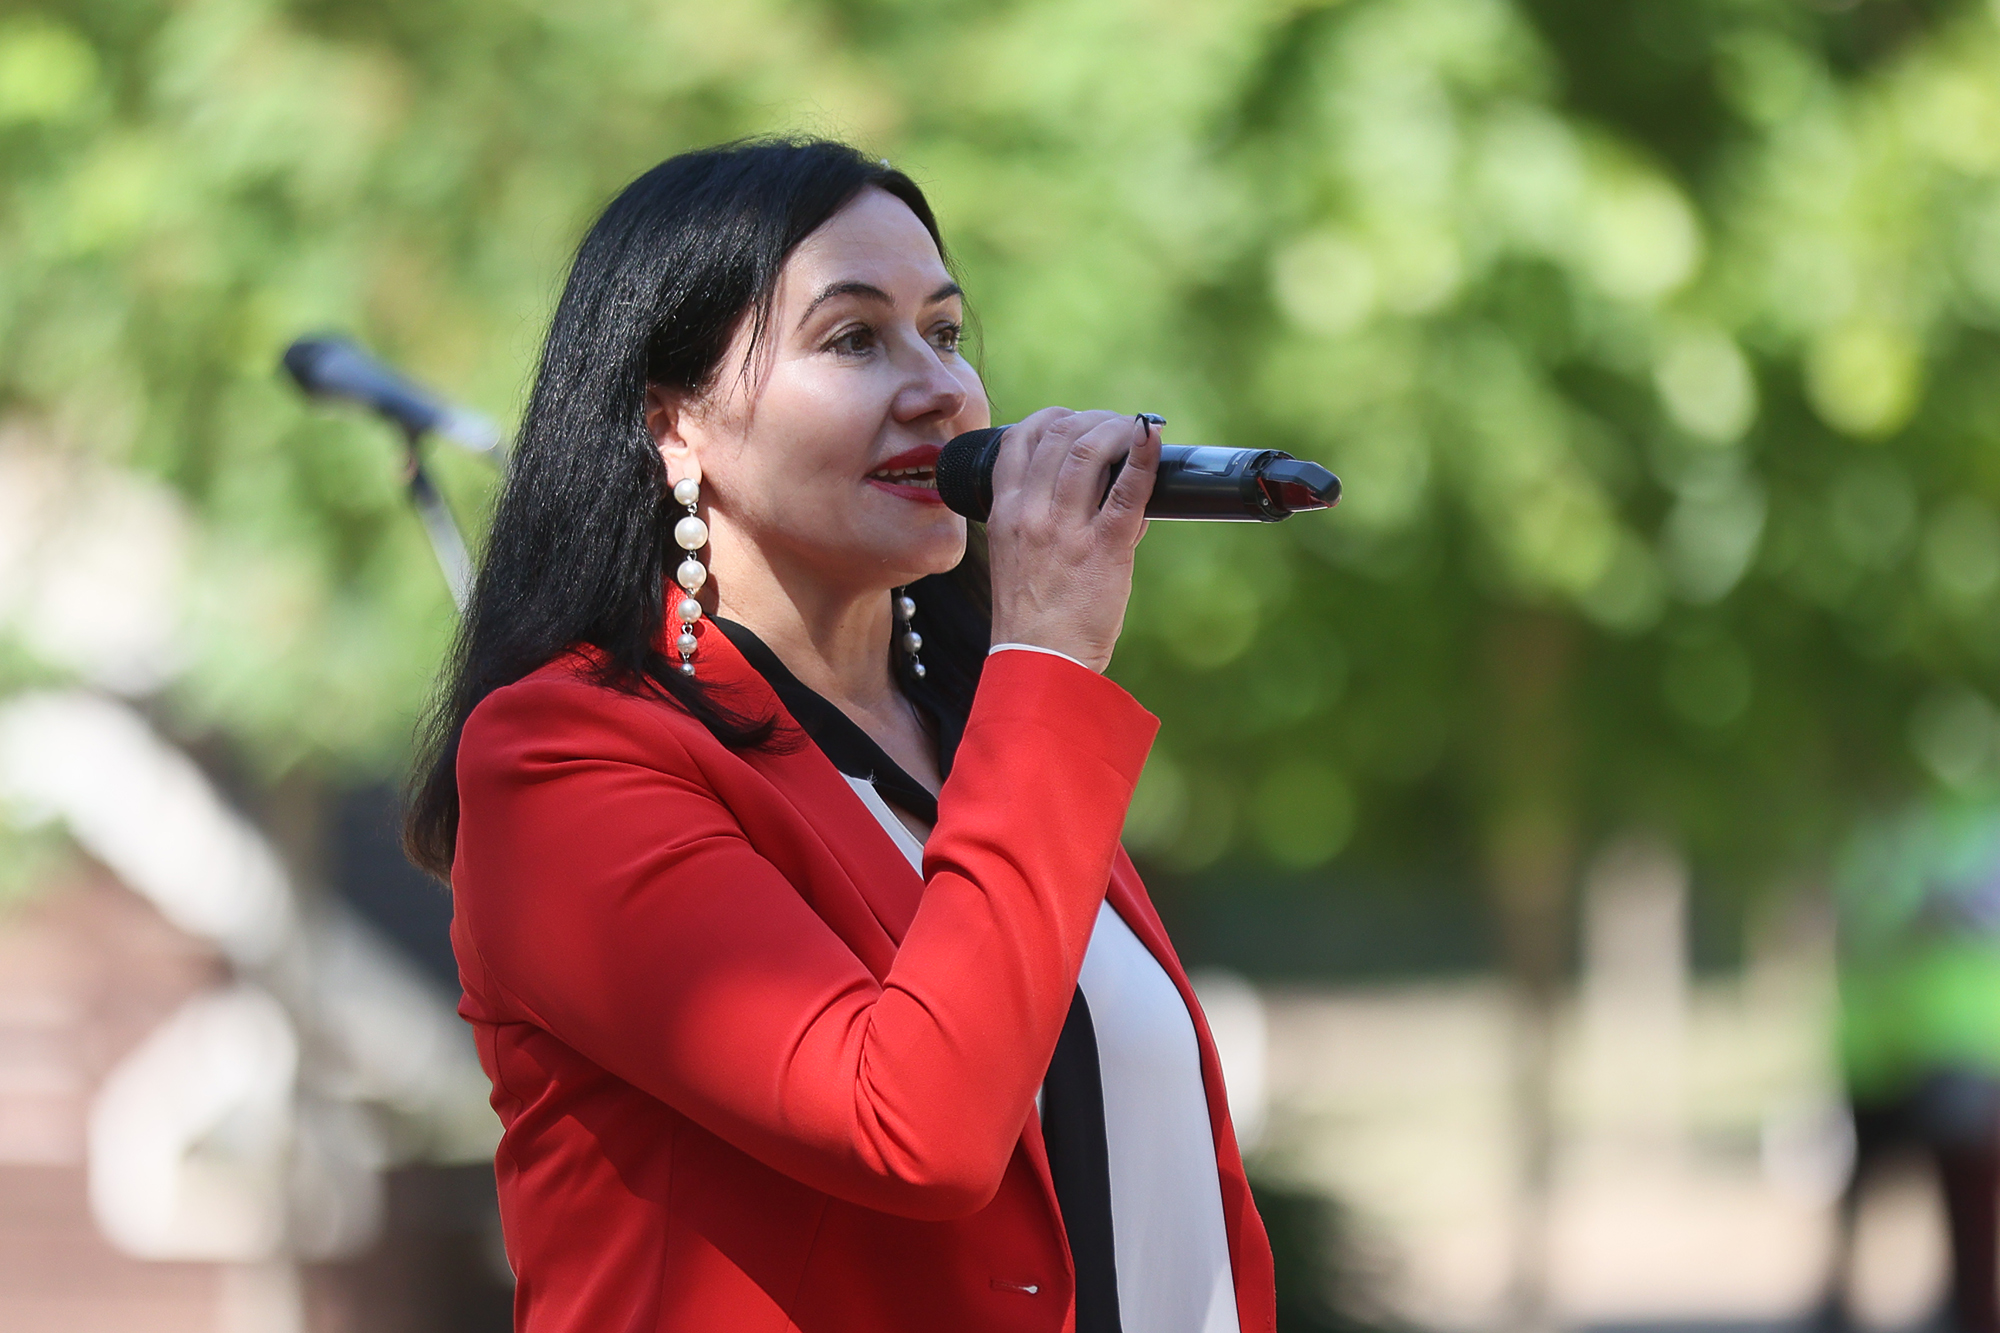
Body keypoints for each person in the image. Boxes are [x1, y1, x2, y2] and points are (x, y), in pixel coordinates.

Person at [404, 138, 1275, 1333]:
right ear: (670, 423)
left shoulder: (977, 736)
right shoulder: (566, 757)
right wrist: (1045, 663)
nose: (939, 389)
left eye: (945, 333)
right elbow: (913, 1129)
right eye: (854, 338)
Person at [1820, 799, 2000, 1333]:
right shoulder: (1886, 826)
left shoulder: (1972, 821)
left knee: (1966, 1190)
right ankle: (1844, 1302)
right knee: (1866, 1181)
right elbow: (1855, 924)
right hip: (1885, 1046)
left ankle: (1969, 1307)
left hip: (1959, 1044)